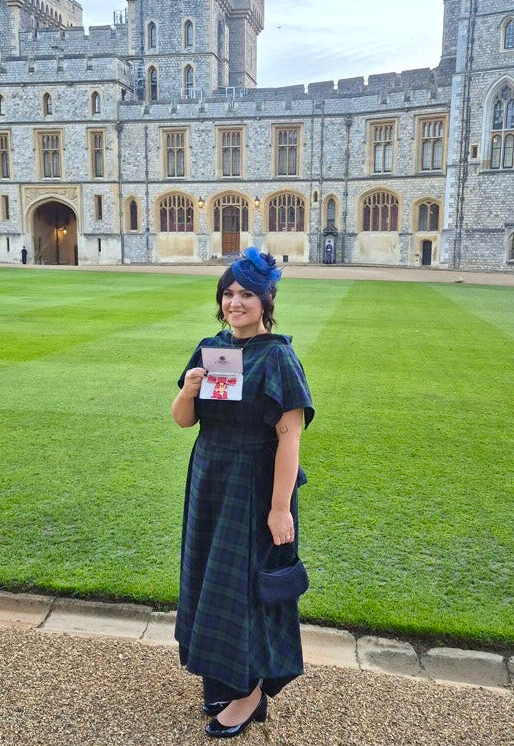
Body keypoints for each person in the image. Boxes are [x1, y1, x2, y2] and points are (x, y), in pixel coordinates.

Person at [171, 247, 314, 739]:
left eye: (246, 294)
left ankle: (250, 693)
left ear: (265, 301)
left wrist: (279, 509)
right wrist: (189, 390)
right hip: (210, 479)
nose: (235, 302)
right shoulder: (212, 349)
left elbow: (290, 437)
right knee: (210, 580)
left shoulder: (278, 357)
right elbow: (184, 420)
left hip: (255, 485)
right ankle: (223, 679)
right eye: (228, 293)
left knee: (245, 587)